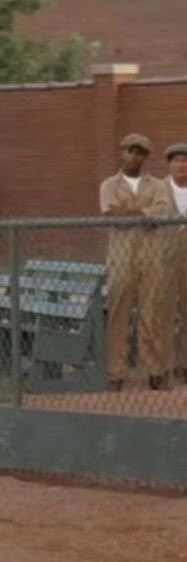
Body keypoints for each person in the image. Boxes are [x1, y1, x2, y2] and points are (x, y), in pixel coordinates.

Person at [100, 133, 173, 391]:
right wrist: (143, 213)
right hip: (121, 257)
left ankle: (154, 371)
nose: (135, 156)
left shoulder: (157, 186)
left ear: (146, 156)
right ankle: (115, 373)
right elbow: (112, 215)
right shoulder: (109, 184)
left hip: (152, 256)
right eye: (131, 150)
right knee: (118, 313)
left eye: (141, 152)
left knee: (152, 313)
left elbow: (161, 213)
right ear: (123, 152)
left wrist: (132, 213)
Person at [163, 142, 187, 385]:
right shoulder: (158, 189)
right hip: (165, 258)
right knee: (165, 312)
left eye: (185, 160)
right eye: (177, 160)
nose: (181, 165)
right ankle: (164, 367)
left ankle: (184, 364)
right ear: (169, 164)